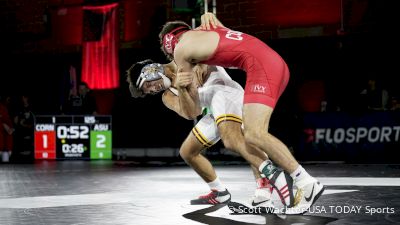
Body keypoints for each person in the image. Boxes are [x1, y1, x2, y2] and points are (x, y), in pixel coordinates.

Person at [157, 12, 324, 214]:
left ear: (169, 44)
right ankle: (271, 188)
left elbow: (193, 111)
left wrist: (182, 88)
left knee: (254, 134)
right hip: (276, 63)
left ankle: (306, 183)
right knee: (254, 133)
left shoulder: (180, 51)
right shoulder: (206, 28)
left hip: (260, 67)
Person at [126, 59, 295, 209]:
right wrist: (182, 88)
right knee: (187, 151)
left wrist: (202, 62)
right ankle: (220, 192)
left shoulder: (182, 56)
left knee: (241, 138)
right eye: (148, 91)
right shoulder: (168, 96)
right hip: (214, 110)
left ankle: (268, 183)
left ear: (150, 71)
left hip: (228, 94)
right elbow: (192, 113)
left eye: (147, 85)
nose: (152, 90)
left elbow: (210, 51)